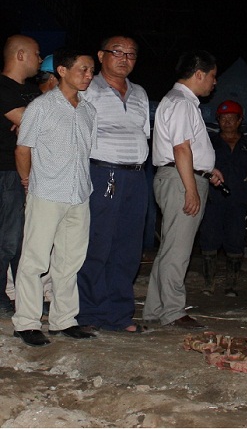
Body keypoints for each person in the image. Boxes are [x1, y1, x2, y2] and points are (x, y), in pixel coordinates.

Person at [12, 47, 98, 346]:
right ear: (62, 71)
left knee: (70, 262)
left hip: (79, 194)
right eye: (83, 69)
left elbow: (86, 153)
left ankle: (64, 320)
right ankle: (26, 322)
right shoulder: (41, 107)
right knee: (35, 260)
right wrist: (28, 182)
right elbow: (23, 149)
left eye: (91, 70)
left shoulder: (89, 111)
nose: (89, 75)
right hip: (47, 193)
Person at [142, 50, 224, 330]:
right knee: (178, 251)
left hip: (179, 177)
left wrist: (208, 170)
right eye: (213, 76)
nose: (214, 82)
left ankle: (155, 309)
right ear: (199, 74)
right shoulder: (182, 103)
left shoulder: (180, 101)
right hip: (180, 180)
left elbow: (186, 149)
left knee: (170, 247)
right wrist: (191, 189)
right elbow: (180, 148)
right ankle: (173, 312)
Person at [76, 35, 151, 333]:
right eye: (117, 52)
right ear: (101, 55)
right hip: (101, 172)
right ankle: (89, 313)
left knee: (128, 248)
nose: (125, 58)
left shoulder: (140, 92)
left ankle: (119, 314)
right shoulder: (87, 87)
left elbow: (143, 133)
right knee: (97, 244)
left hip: (136, 177)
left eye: (131, 54)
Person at [198, 100, 247, 297]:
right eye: (223, 118)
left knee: (235, 241)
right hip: (213, 200)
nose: (227, 122)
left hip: (238, 202)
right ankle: (208, 284)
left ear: (240, 120)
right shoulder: (209, 141)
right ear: (218, 120)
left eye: (231, 118)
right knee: (209, 240)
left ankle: (231, 286)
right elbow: (198, 165)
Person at [0, 34, 42, 316]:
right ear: (20, 55)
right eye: (36, 53)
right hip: (6, 171)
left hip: (31, 173)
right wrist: (32, 123)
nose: (39, 59)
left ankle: (23, 296)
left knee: (25, 241)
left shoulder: (33, 92)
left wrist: (31, 123)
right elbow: (38, 126)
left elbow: (43, 125)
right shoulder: (2, 87)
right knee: (8, 239)